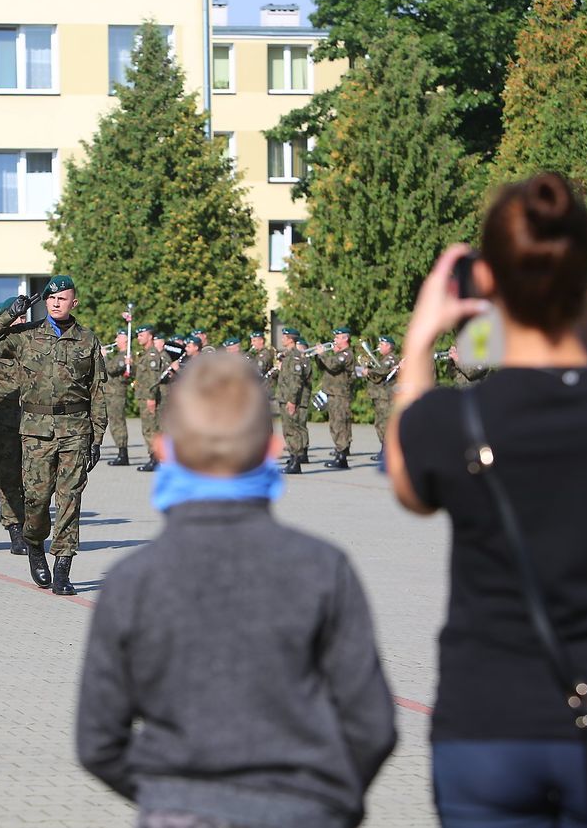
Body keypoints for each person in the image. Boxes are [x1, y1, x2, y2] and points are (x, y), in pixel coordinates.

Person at [386, 173, 587, 828]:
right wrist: (576, 318)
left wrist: (420, 342)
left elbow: (407, 485)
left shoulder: (453, 423)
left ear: (488, 288)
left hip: (485, 731)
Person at [77, 353, 396, 828]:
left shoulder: (132, 579)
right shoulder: (321, 568)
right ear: (271, 450)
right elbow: (372, 724)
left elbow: (97, 741)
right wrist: (328, 801)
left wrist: (169, 793)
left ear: (164, 450)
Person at [0, 275, 108, 596]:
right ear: (45, 302)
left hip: (75, 429)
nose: (57, 302)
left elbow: (98, 392)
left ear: (74, 302)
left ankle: (63, 565)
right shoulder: (26, 336)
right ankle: (34, 542)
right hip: (35, 431)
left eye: (63, 297)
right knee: (36, 499)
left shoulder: (87, 341)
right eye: (51, 297)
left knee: (69, 499)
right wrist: (9, 315)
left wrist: (97, 438)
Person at [315, 327, 356, 470]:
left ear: (345, 338)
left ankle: (342, 457)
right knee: (334, 424)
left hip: (340, 394)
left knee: (340, 425)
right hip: (333, 393)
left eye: (338, 337)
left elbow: (333, 366)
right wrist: (318, 356)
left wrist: (323, 354)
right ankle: (339, 454)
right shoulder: (336, 354)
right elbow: (324, 367)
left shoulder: (346, 354)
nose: (335, 340)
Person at [275, 327, 310, 474]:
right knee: (287, 430)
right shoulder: (288, 356)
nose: (282, 339)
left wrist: (292, 401)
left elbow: (296, 382)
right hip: (284, 397)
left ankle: (296, 461)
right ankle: (293, 458)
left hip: (289, 399)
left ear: (290, 339)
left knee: (292, 430)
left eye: (284, 337)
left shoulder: (295, 357)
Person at [363, 335, 398, 462]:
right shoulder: (383, 359)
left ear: (388, 346)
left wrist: (369, 371)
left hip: (386, 397)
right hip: (380, 396)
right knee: (380, 424)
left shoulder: (391, 358)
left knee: (385, 424)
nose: (378, 347)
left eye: (381, 345)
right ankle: (384, 449)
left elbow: (383, 371)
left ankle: (387, 451)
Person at [133, 324, 163, 472]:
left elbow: (153, 379)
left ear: (150, 336)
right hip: (144, 397)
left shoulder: (152, 355)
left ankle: (155, 459)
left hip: (148, 398)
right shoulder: (144, 354)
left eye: (141, 335)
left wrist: (151, 398)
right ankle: (154, 458)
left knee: (151, 429)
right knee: (148, 429)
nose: (139, 337)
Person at [103, 329, 131, 466]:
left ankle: (123, 454)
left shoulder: (123, 356)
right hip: (111, 393)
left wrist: (104, 356)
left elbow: (111, 369)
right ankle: (121, 453)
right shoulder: (120, 355)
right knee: (114, 423)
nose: (115, 340)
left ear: (125, 340)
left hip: (116, 394)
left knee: (117, 423)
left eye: (118, 338)